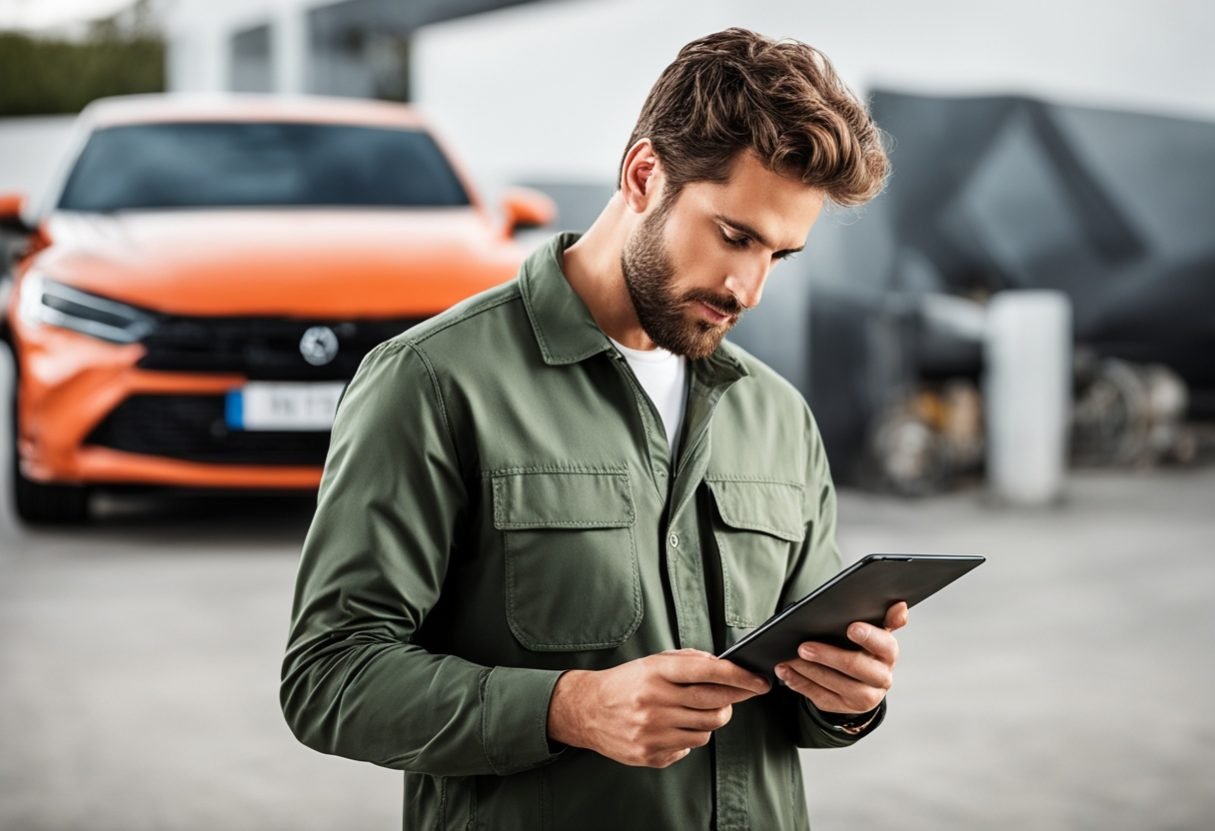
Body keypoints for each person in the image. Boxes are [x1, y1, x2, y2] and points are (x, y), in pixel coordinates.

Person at [282, 27, 907, 830]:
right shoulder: (434, 382)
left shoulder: (777, 416)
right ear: (644, 175)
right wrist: (569, 706)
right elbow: (328, 677)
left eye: (779, 255)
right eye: (734, 235)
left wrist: (846, 700)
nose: (747, 287)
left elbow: (795, 702)